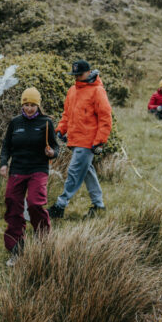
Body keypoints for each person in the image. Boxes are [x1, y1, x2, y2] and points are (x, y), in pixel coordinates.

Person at [48, 59, 113, 219]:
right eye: (75, 75)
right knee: (87, 171)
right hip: (75, 140)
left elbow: (105, 118)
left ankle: (60, 206)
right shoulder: (72, 91)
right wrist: (61, 129)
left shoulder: (98, 91)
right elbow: (67, 114)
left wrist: (100, 141)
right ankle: (99, 205)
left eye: (80, 74)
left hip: (88, 142)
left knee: (74, 172)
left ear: (89, 72)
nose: (77, 78)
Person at [0, 87, 57, 266]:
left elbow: (56, 148)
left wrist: (51, 153)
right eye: (26, 104)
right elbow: (6, 146)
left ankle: (44, 240)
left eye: (33, 105)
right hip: (17, 169)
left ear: (38, 105)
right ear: (22, 105)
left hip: (38, 169)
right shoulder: (15, 123)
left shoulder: (46, 123)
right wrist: (3, 163)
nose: (29, 108)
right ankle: (16, 249)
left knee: (34, 203)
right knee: (12, 205)